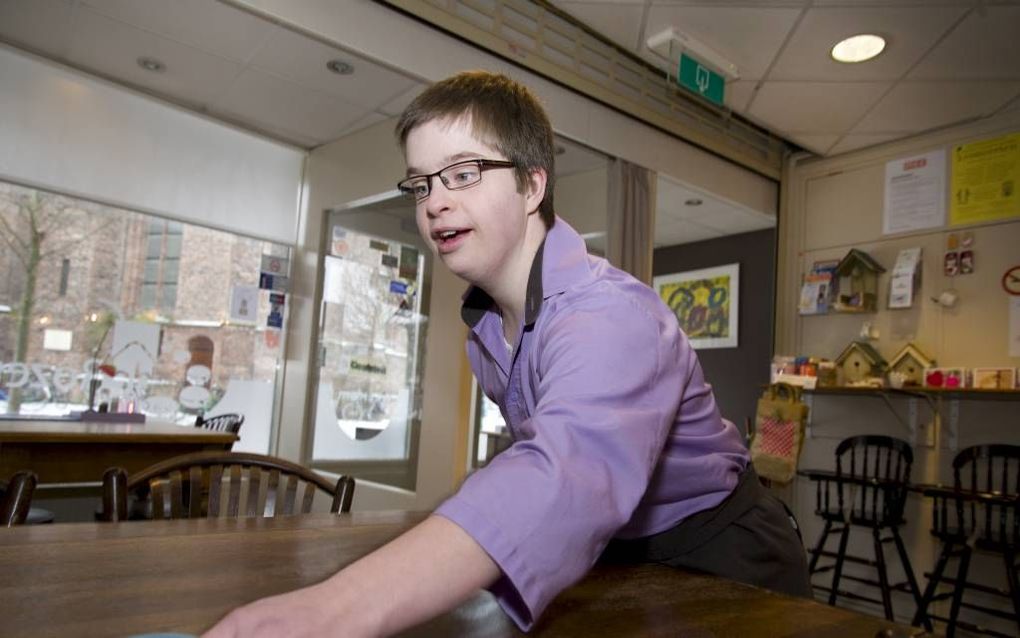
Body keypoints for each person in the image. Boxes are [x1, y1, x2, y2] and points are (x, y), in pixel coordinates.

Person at [205, 71, 809, 638]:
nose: (434, 203)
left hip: (720, 555)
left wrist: (329, 609)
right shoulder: (487, 332)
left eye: (462, 173)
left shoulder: (610, 314)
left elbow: (562, 474)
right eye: (421, 183)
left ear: (532, 184)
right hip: (615, 555)